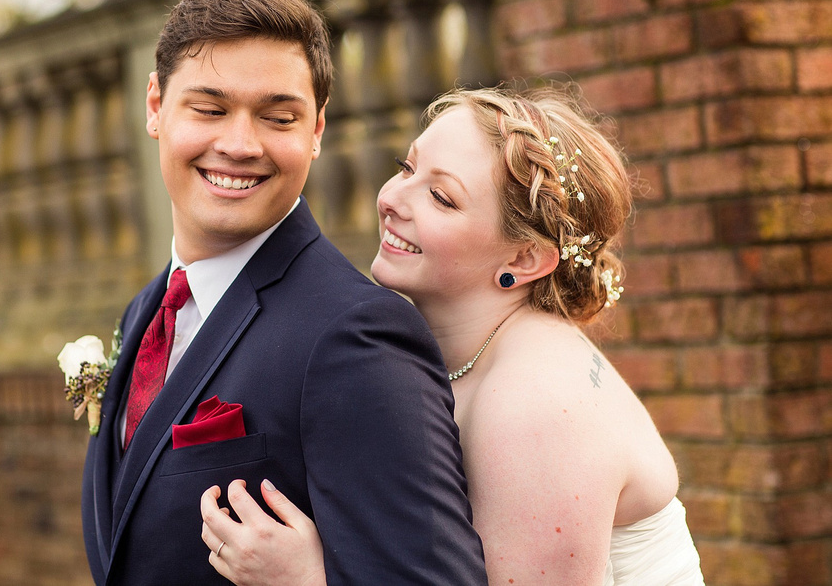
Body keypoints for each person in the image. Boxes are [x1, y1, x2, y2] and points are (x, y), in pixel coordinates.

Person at [201, 84, 706, 585]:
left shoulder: (534, 404)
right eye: (406, 167)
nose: (392, 198)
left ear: (523, 259)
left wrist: (309, 580)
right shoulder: (462, 355)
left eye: (442, 197)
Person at [80, 0, 487, 584]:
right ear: (156, 107)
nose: (240, 144)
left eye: (278, 117)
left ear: (317, 130)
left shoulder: (356, 336)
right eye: (210, 109)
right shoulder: (146, 312)